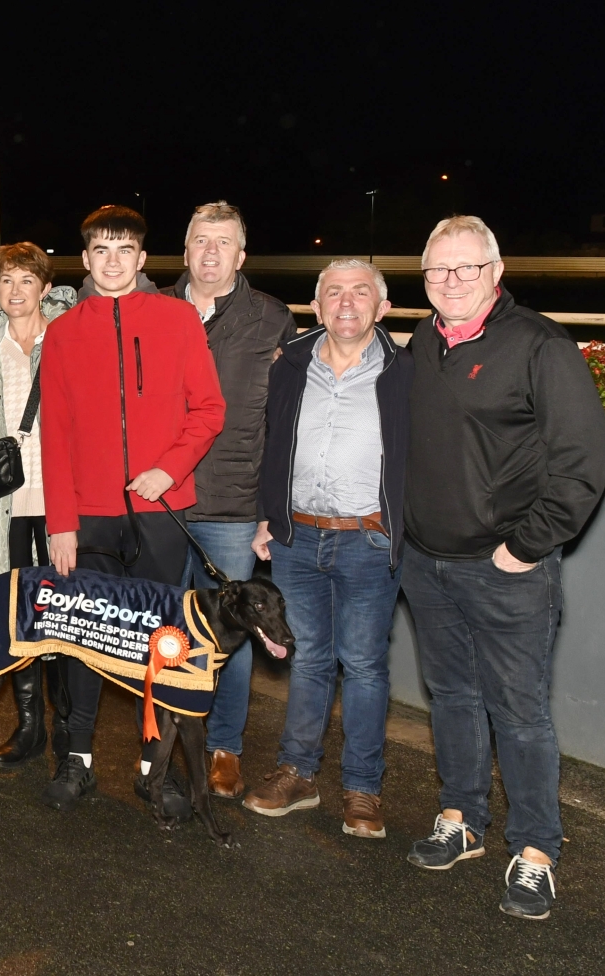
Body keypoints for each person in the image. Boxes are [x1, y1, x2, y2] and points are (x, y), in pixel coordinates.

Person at [400, 216, 605, 920]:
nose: (450, 283)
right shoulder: (424, 341)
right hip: (427, 566)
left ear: (496, 272)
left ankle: (536, 852)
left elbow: (586, 460)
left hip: (506, 570)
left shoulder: (539, 344)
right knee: (454, 699)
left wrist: (525, 547)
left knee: (520, 714)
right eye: (437, 271)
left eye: (466, 269)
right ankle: (461, 819)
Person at [39, 205, 225, 814]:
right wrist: (61, 522)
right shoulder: (63, 332)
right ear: (86, 260)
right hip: (88, 516)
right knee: (86, 638)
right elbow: (56, 434)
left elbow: (208, 410)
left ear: (143, 259)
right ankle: (79, 759)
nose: (113, 261)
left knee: (161, 641)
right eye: (101, 251)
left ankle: (156, 767)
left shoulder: (177, 320)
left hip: (160, 510)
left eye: (125, 250)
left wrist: (167, 469)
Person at [247, 259, 410, 839]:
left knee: (364, 665)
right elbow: (272, 445)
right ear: (315, 307)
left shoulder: (404, 371)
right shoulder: (290, 365)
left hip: (369, 540)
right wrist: (268, 517)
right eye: (333, 293)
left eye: (360, 292)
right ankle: (298, 772)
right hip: (296, 537)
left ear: (382, 307)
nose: (346, 302)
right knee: (310, 659)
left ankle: (362, 788)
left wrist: (401, 527)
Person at [158, 202, 296, 799]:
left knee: (231, 639)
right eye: (199, 241)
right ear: (184, 250)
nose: (209, 252)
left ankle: (224, 749)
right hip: (159, 504)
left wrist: (272, 507)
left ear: (241, 255)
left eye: (223, 243)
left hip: (233, 507)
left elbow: (286, 422)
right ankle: (161, 740)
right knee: (162, 629)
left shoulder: (271, 319)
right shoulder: (153, 309)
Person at [0, 242, 78, 768]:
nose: (14, 291)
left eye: (25, 281)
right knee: (20, 617)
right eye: (6, 281)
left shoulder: (67, 337)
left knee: (65, 615)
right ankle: (30, 725)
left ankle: (70, 732)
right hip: (7, 504)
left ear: (45, 288)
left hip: (60, 504)